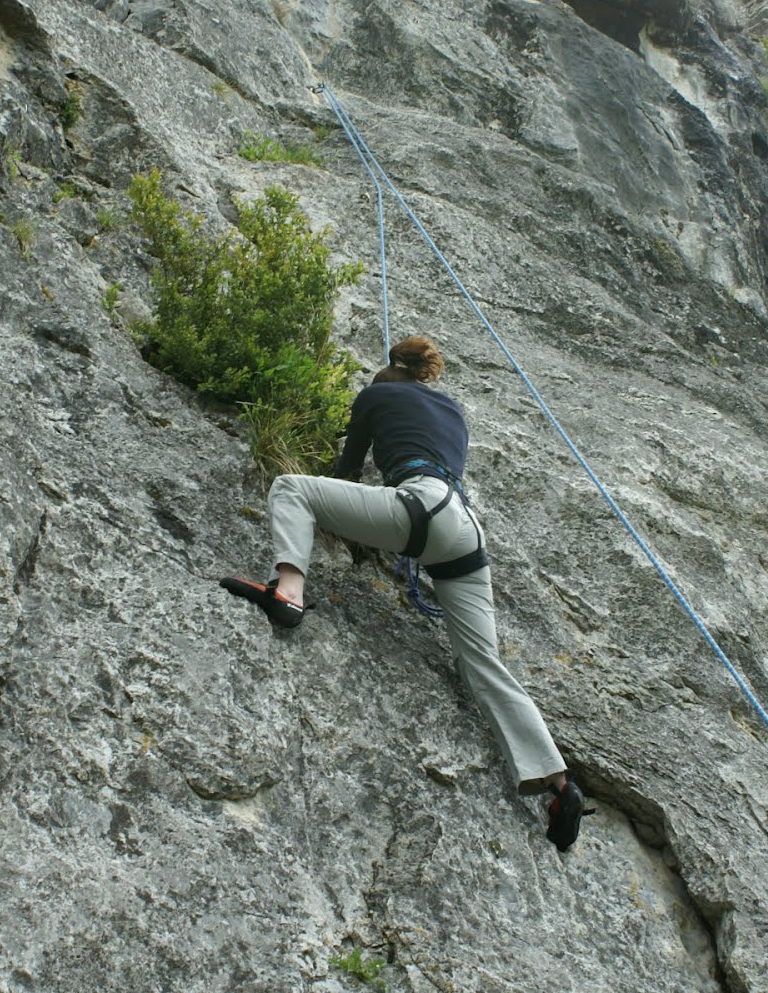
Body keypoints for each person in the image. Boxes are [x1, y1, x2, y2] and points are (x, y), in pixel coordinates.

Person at [221, 336, 590, 851]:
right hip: (463, 530)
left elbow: (345, 473)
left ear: (391, 372)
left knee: (290, 488)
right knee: (483, 663)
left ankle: (288, 592)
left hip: (418, 508)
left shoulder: (375, 396)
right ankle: (558, 783)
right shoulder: (453, 411)